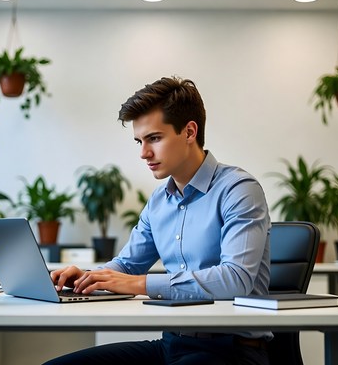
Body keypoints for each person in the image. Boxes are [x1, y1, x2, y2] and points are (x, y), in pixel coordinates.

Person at [43, 76, 272, 365]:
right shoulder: (159, 201)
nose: (143, 153)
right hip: (172, 344)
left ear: (189, 131)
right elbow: (126, 265)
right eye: (140, 141)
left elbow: (235, 279)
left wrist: (140, 284)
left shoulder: (238, 189)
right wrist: (88, 277)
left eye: (154, 138)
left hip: (234, 351)